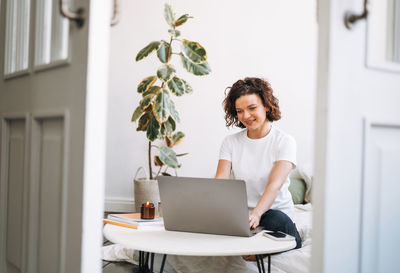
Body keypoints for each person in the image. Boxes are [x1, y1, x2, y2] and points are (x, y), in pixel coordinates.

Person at [215, 77, 301, 261]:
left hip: (273, 217)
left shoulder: (284, 141)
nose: (246, 116)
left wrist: (256, 214)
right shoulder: (230, 142)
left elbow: (274, 185)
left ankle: (268, 246)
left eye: (252, 108)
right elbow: (220, 181)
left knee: (274, 218)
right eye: (240, 111)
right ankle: (253, 245)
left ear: (267, 106)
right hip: (242, 220)